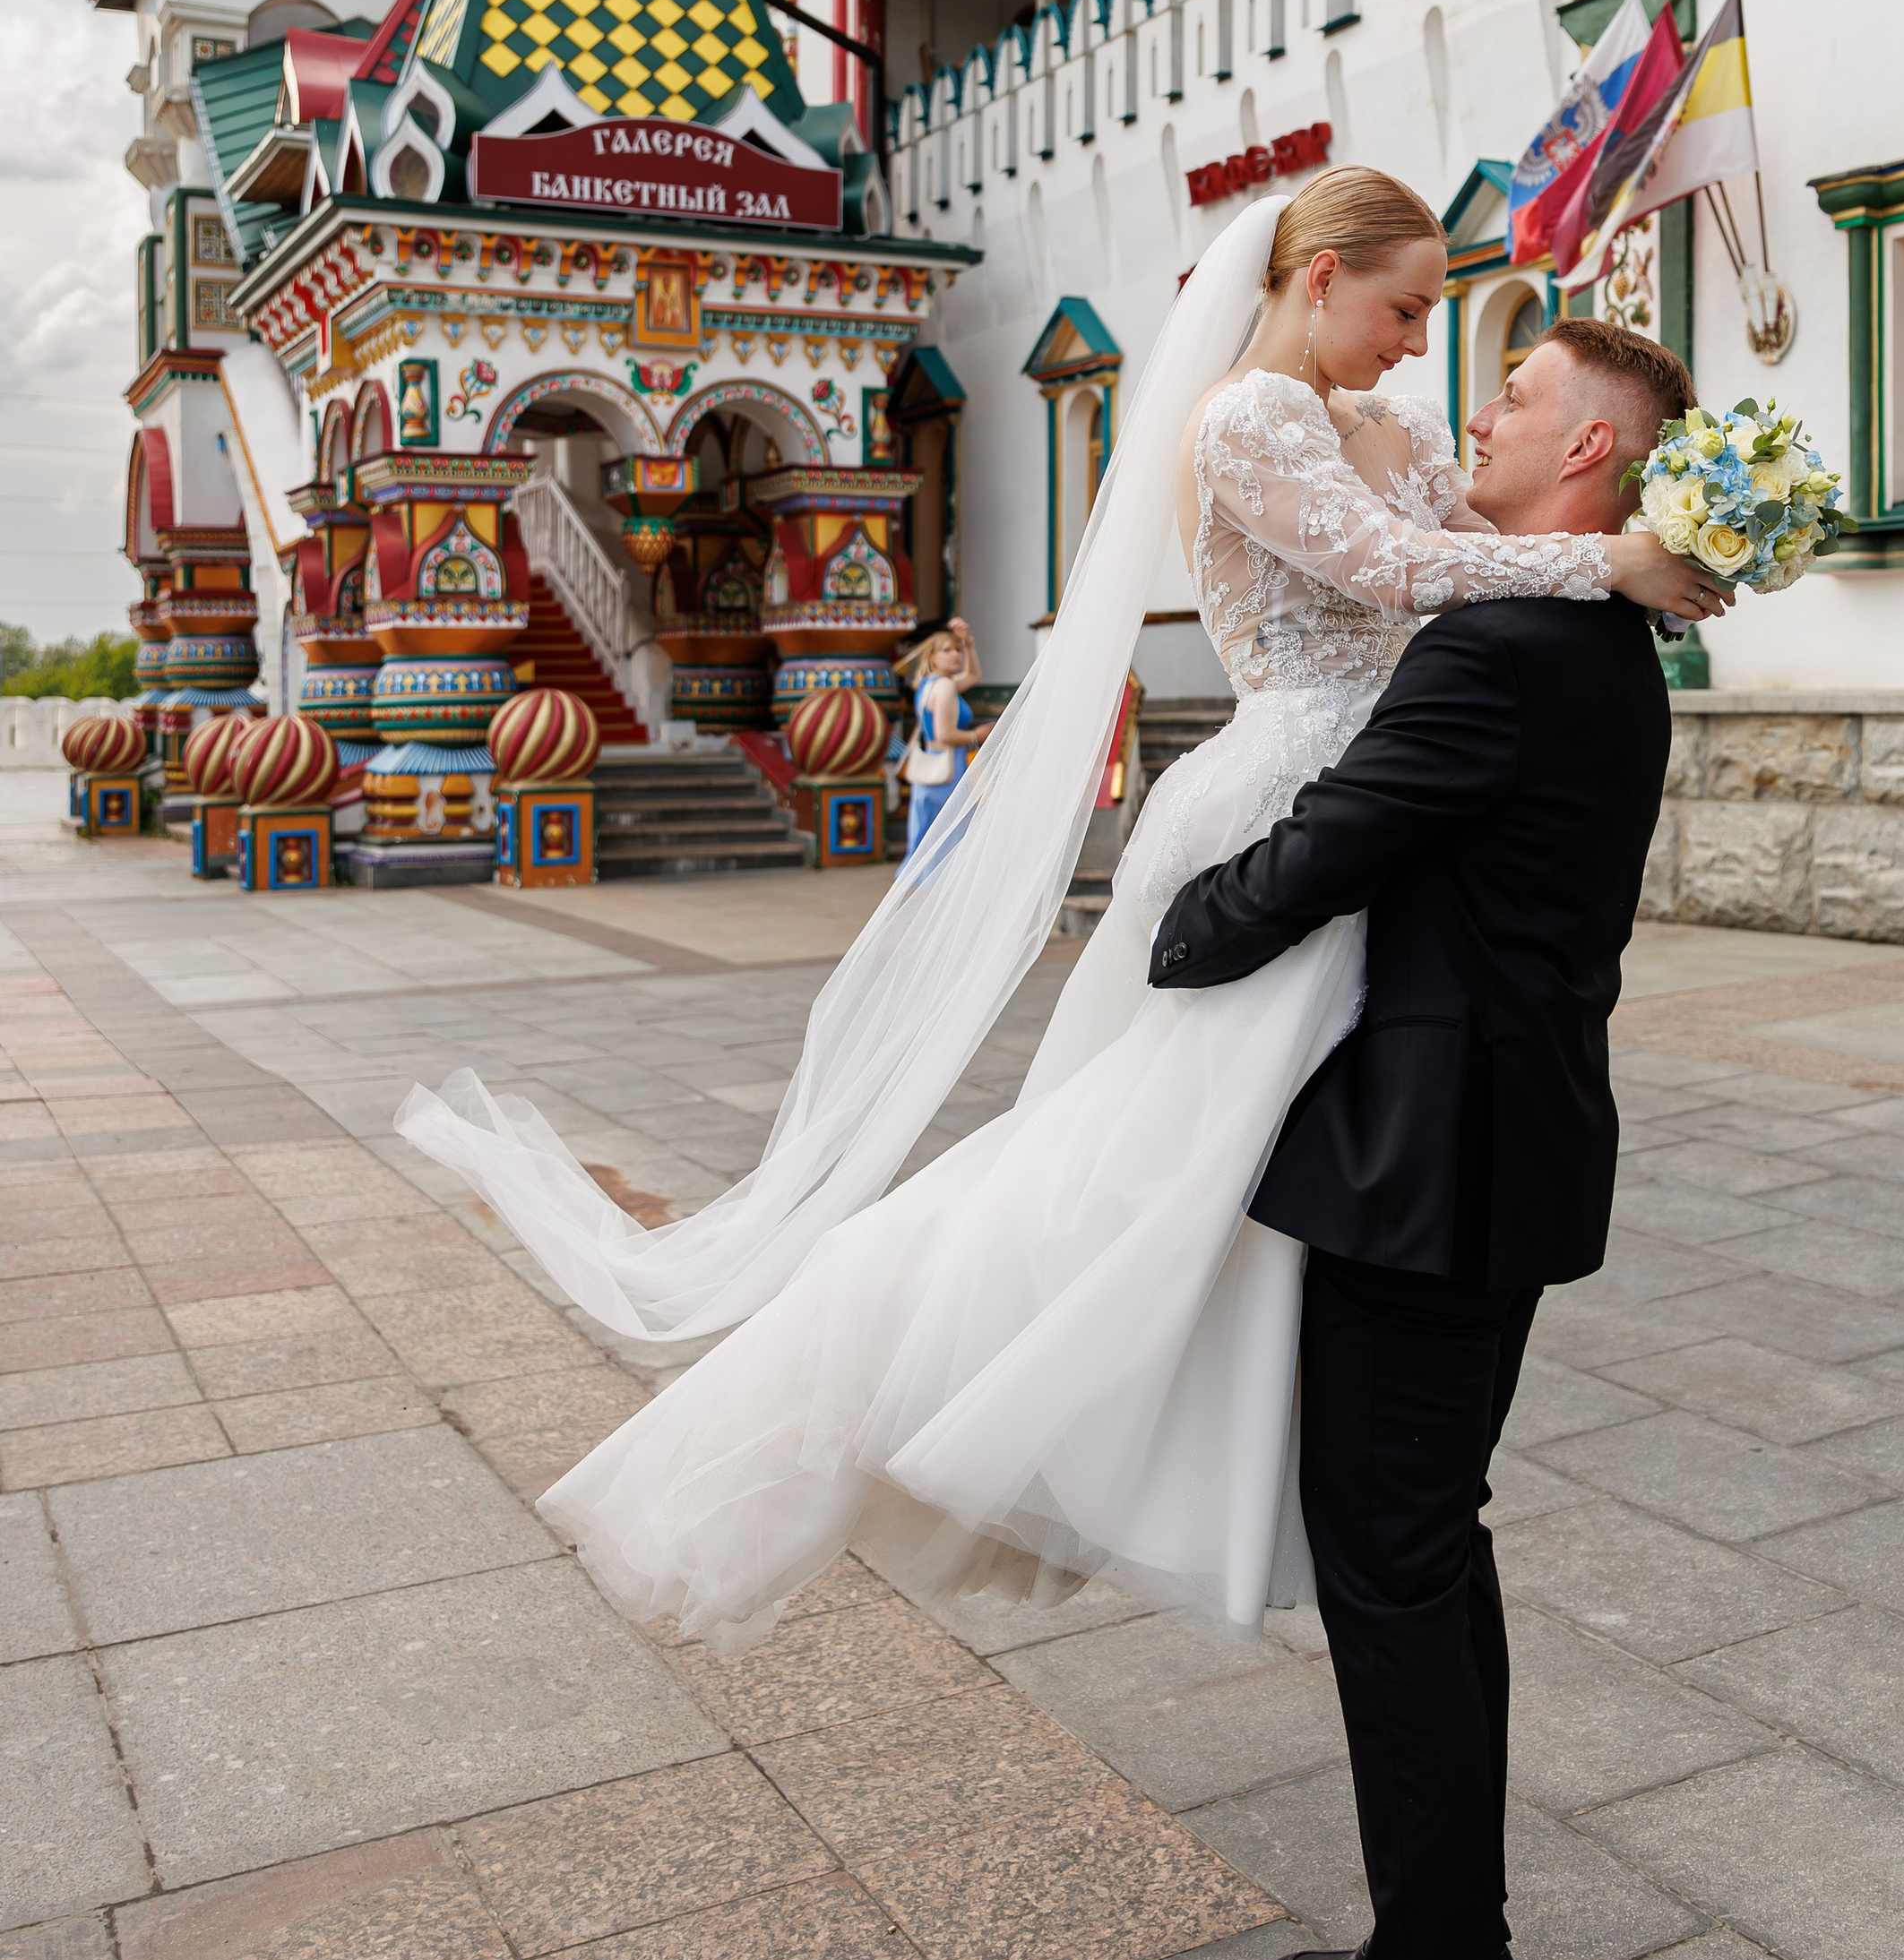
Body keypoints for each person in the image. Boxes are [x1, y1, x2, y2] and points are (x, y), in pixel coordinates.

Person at [397, 174, 1723, 1647]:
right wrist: (1615, 559)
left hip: (1392, 796)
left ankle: (1247, 1428)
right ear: (1322, 277)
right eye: (1405, 307)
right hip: (1286, 792)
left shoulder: (1401, 428)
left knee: (1267, 1140)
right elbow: (1397, 570)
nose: (1423, 345)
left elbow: (1478, 547)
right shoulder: (1247, 418)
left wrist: (1647, 542)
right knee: (1140, 1148)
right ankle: (967, 1392)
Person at [1148, 318, 1693, 1960]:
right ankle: (1452, 1959)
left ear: (1591, 454)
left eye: (1518, 396)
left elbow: (1333, 848)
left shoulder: (1498, 645)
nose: (1480, 408)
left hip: (1426, 1166)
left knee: (1393, 1576)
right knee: (1430, 1556)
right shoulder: (1594, 638)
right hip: (1499, 1145)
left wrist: (1174, 926)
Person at [897, 620, 981, 853]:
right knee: (947, 839)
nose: (955, 655)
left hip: (931, 764)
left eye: (957, 650)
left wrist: (968, 644)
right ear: (933, 657)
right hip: (948, 765)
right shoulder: (945, 686)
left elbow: (974, 675)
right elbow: (945, 735)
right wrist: (977, 735)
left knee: (926, 838)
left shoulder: (928, 684)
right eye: (947, 650)